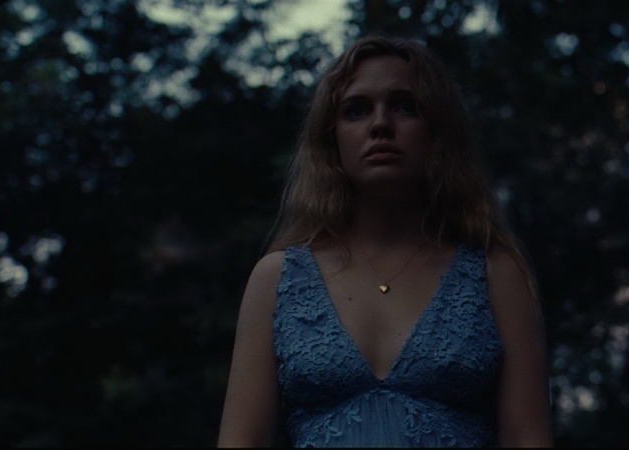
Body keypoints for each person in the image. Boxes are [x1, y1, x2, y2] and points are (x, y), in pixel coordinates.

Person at [217, 32, 553, 447]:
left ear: (438, 129)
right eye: (356, 110)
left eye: (405, 106)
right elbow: (241, 439)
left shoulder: (496, 274)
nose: (380, 124)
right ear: (332, 139)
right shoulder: (276, 278)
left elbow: (528, 437)